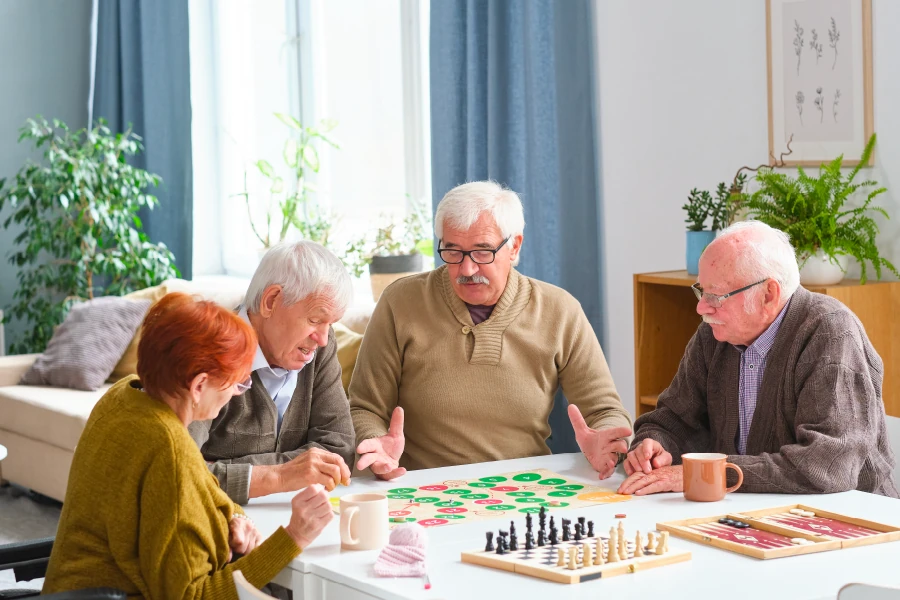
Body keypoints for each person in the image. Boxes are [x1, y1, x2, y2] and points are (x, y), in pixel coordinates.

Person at [43, 293, 334, 597]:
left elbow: (202, 485)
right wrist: (294, 537)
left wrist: (234, 516)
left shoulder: (124, 396)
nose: (236, 393)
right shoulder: (169, 450)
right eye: (236, 382)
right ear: (198, 386)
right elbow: (194, 595)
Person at [350, 181, 633, 480]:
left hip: (524, 487)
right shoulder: (400, 302)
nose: (467, 269)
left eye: (482, 251)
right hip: (421, 486)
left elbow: (604, 410)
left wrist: (609, 441)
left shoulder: (560, 310)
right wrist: (375, 443)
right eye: (453, 251)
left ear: (515, 247)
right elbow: (364, 408)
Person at [618, 221, 898, 497]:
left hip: (852, 521)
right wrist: (653, 445)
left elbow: (825, 465)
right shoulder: (713, 335)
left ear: (768, 294)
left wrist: (708, 474)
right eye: (701, 290)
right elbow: (673, 419)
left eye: (716, 295)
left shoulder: (830, 331)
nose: (701, 307)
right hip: (748, 511)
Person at [190, 241, 355, 504]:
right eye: (314, 320)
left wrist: (224, 469)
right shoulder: (209, 349)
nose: (323, 338)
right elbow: (181, 475)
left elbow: (338, 450)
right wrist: (279, 476)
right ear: (271, 301)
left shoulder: (319, 346)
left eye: (330, 324)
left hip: (296, 513)